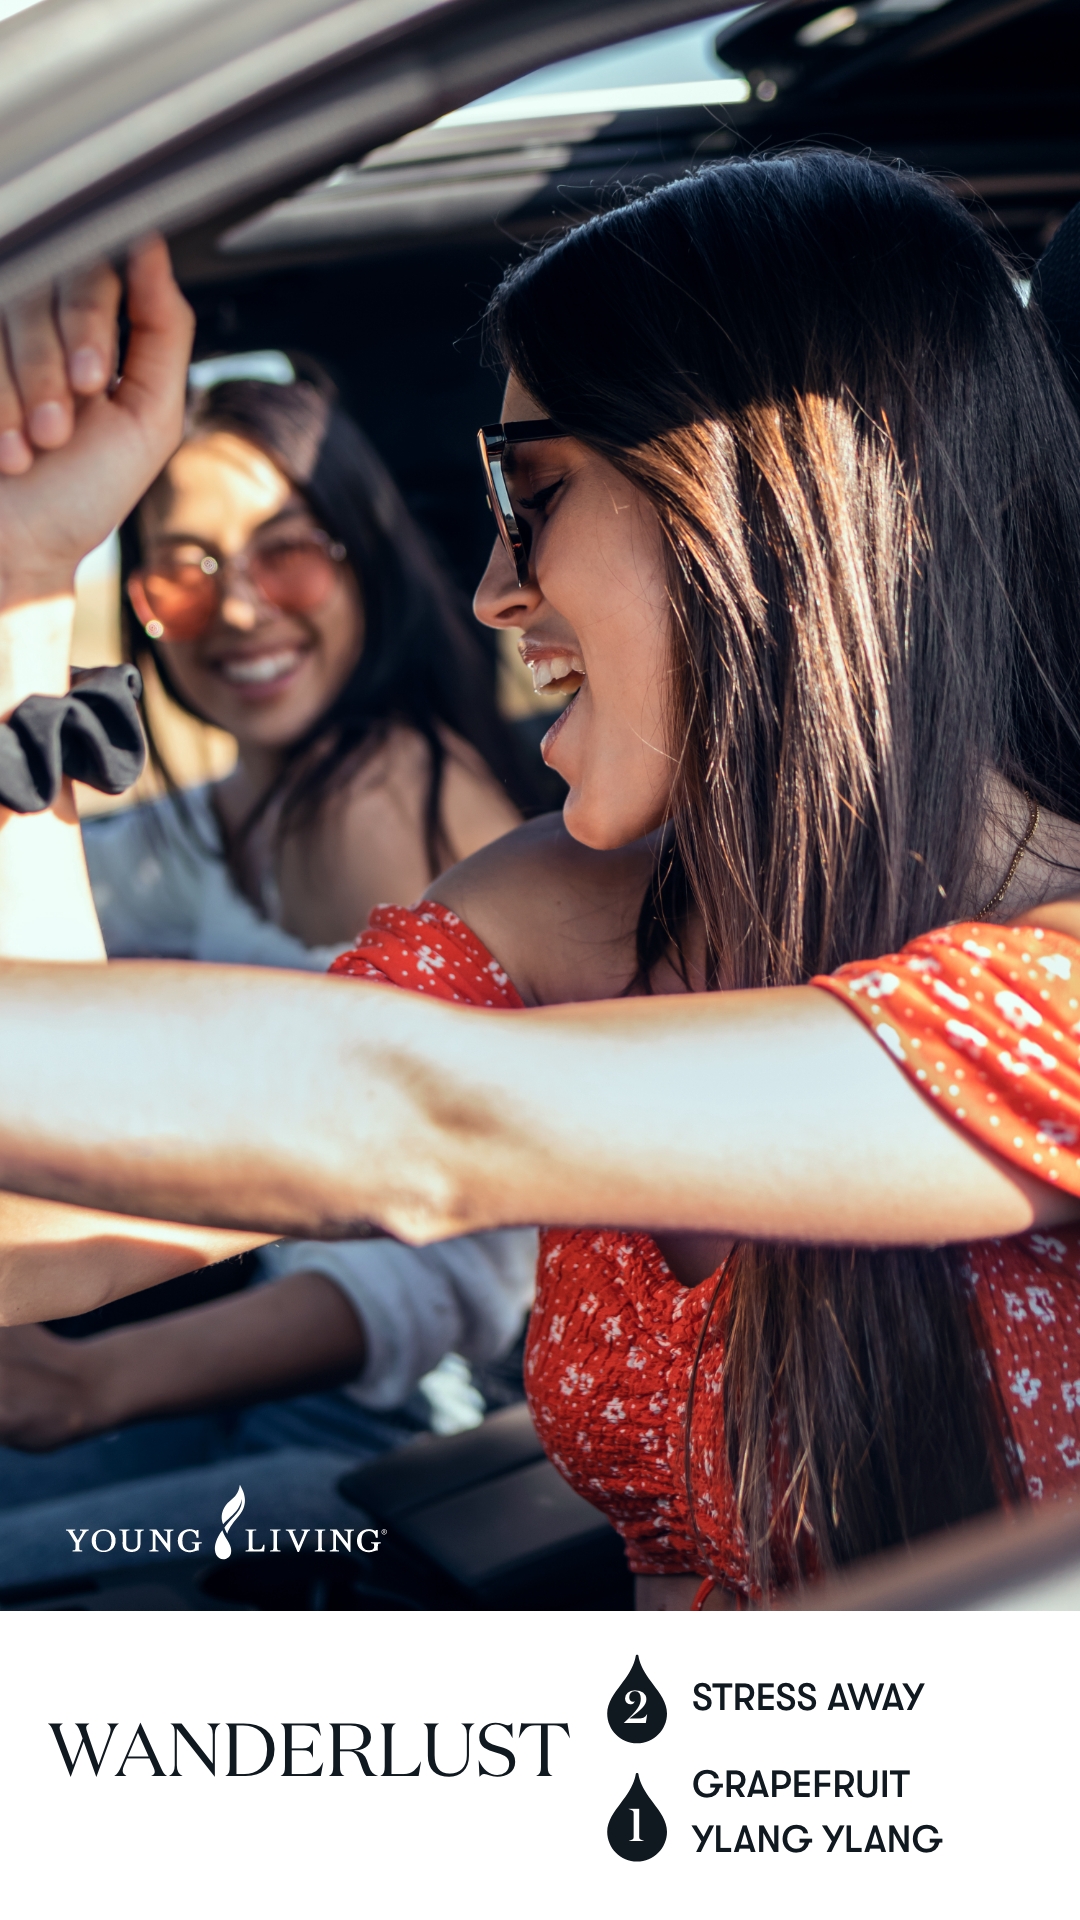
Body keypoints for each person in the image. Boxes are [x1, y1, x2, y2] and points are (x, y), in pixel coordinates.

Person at [3, 162, 1080, 1610]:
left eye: (532, 488)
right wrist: (23, 578)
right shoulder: (588, 902)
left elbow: (414, 1117)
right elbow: (49, 1242)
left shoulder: (1058, 988)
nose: (493, 589)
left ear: (767, 506)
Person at [0, 364, 536, 1545]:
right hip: (261, 1380)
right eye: (185, 574)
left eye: (284, 552)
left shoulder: (385, 793)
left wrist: (85, 1386)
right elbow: (94, 901)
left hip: (402, 1436)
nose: (239, 608)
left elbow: (459, 1255)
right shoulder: (241, 799)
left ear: (362, 559)